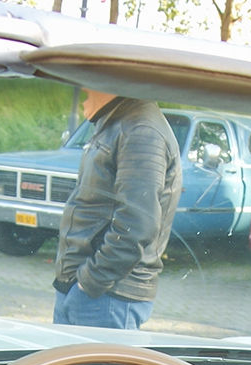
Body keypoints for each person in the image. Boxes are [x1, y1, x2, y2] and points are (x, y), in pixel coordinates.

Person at [52, 90, 182, 329]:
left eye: (89, 76)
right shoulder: (121, 122)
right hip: (92, 293)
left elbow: (137, 224)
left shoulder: (141, 131)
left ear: (111, 81)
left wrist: (88, 283)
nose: (81, 88)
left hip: (106, 297)